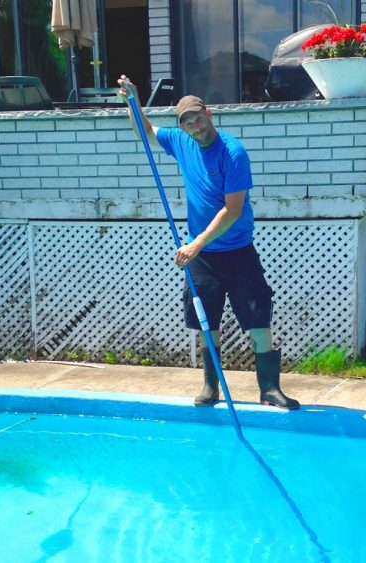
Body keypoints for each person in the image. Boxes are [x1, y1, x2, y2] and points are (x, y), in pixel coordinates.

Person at [118, 75, 300, 410]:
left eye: (198, 118)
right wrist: (134, 100)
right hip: (202, 257)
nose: (195, 126)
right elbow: (145, 132)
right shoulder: (181, 141)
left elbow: (232, 211)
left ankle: (269, 389)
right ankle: (210, 387)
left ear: (210, 114)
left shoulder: (233, 153)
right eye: (187, 122)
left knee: (258, 318)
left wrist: (196, 243)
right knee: (207, 322)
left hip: (236, 251)